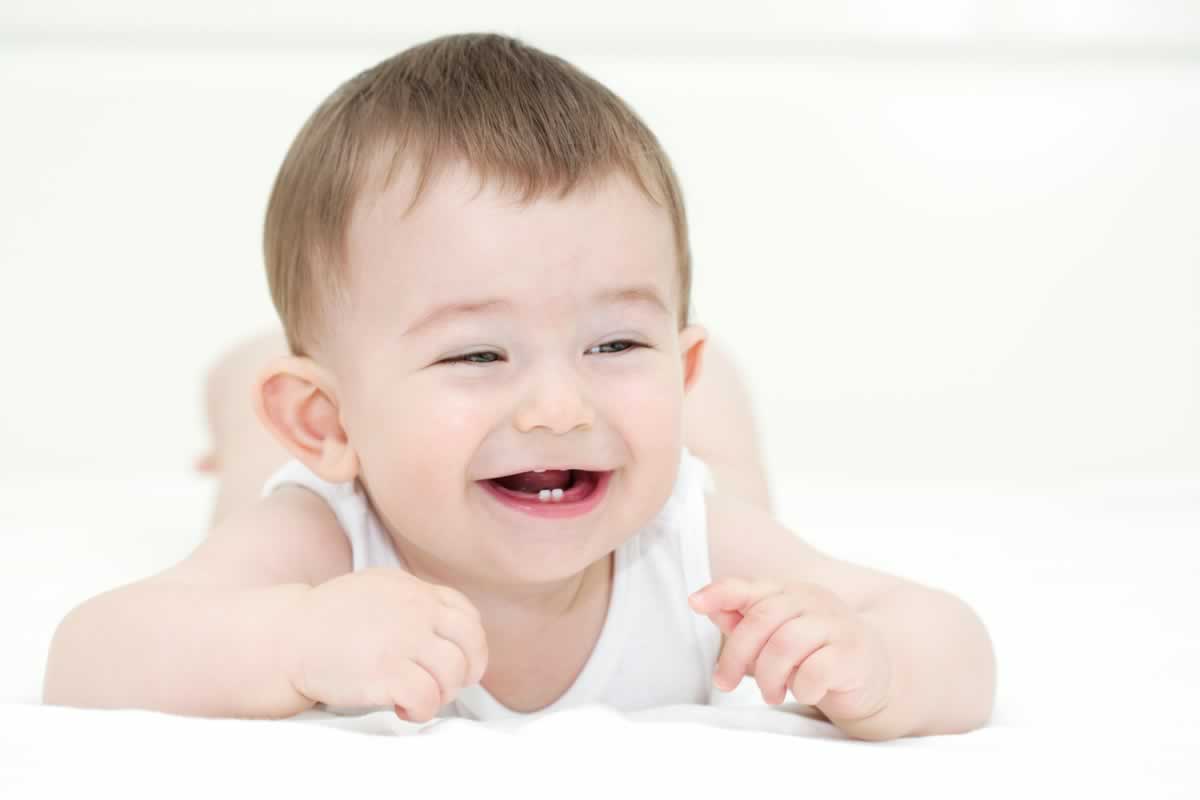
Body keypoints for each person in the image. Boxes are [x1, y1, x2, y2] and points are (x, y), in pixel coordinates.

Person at [43, 33, 994, 740]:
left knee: (719, 459)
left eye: (618, 339)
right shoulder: (325, 536)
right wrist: (294, 638)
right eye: (476, 356)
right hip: (315, 480)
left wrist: (876, 667)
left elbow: (952, 643)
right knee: (244, 486)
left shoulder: (692, 539)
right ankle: (240, 383)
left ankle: (708, 389)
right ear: (325, 419)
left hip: (681, 450)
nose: (558, 407)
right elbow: (89, 659)